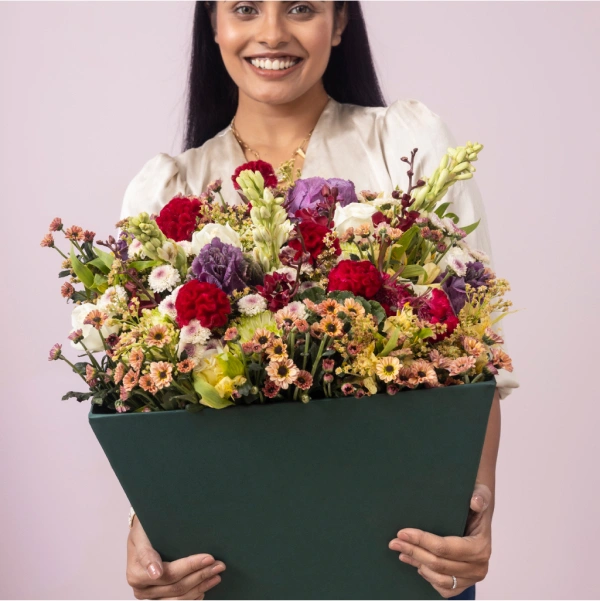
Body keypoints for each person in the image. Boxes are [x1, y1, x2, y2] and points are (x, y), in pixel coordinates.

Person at [122, 1, 519, 599]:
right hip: (235, 559)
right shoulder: (169, 192)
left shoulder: (403, 148)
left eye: (302, 7)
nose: (272, 33)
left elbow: (475, 352)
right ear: (214, 24)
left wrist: (471, 512)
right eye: (246, 9)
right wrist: (148, 536)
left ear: (339, 22)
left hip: (401, 550)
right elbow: (142, 396)